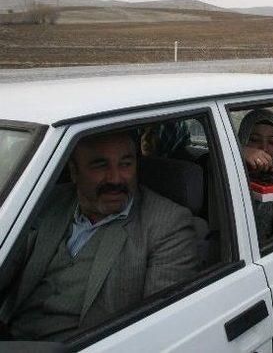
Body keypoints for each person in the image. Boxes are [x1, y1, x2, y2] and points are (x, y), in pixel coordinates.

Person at [0, 130, 199, 341]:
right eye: (100, 165)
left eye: (126, 164)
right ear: (74, 171)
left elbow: (160, 328)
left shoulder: (166, 224)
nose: (115, 178)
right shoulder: (48, 201)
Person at [237, 109, 273, 244]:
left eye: (272, 142)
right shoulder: (225, 168)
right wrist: (239, 152)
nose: (264, 148)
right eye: (254, 140)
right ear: (242, 139)